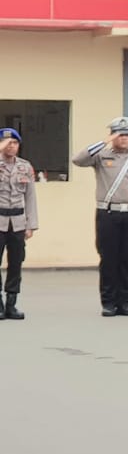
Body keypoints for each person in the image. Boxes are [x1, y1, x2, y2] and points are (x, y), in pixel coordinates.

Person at [72, 117, 128, 316]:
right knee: (108, 259)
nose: (123, 138)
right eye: (119, 134)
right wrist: (104, 141)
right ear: (112, 136)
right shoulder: (101, 156)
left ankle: (124, 302)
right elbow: (78, 159)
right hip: (108, 214)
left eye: (127, 135)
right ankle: (108, 303)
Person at [0, 127, 38, 321]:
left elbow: (30, 197)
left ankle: (11, 303)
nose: (11, 146)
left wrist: (31, 224)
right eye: (7, 143)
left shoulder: (25, 167)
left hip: (17, 222)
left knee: (16, 263)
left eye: (14, 143)